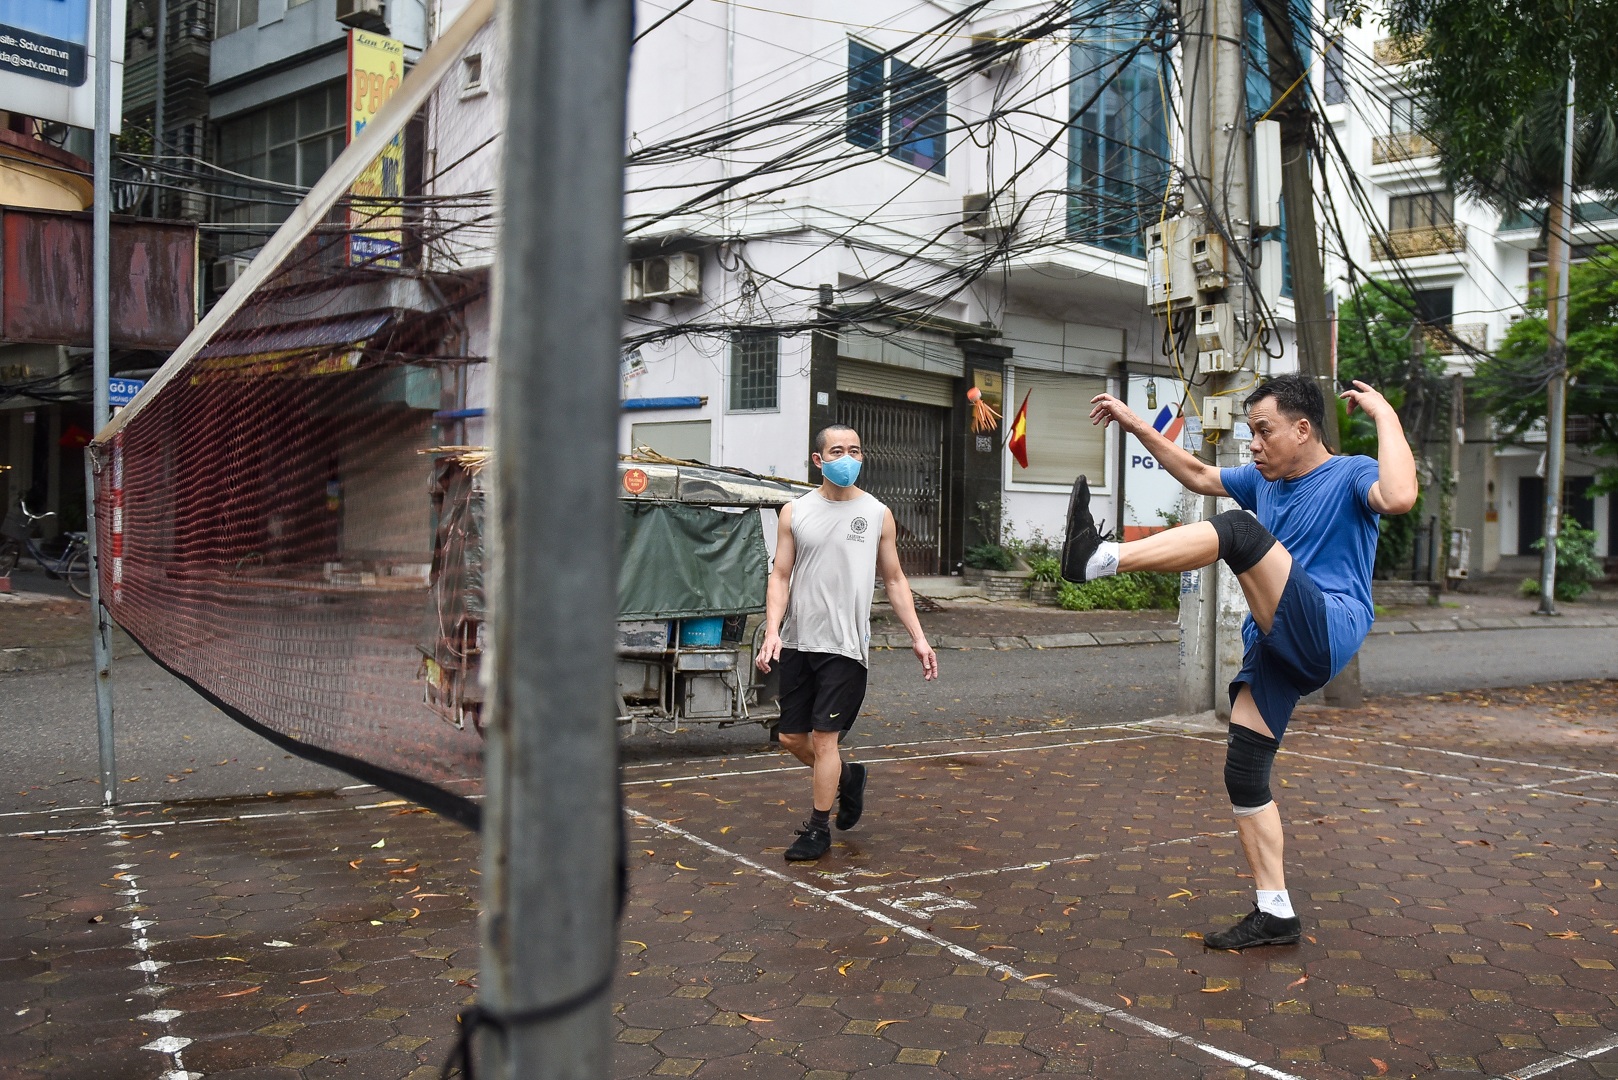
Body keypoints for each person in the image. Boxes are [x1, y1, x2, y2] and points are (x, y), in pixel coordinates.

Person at [1075, 373, 1417, 949]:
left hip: (1326, 626)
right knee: (1244, 770)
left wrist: (1384, 413)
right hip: (1275, 641)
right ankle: (1276, 911)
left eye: (1263, 431)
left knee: (1237, 531)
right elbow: (1199, 473)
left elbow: (1400, 496)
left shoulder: (1350, 473)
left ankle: (1099, 559)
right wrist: (1136, 423)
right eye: (1250, 432)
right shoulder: (1266, 482)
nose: (1253, 445)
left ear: (1303, 429)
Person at [755, 423, 939, 862]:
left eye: (855, 450)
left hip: (846, 646)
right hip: (799, 642)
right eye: (837, 451)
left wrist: (918, 637)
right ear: (819, 460)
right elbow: (780, 576)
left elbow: (894, 578)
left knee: (823, 740)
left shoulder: (877, 513)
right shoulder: (794, 512)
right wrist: (773, 630)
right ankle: (848, 779)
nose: (848, 458)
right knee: (790, 738)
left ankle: (818, 830)